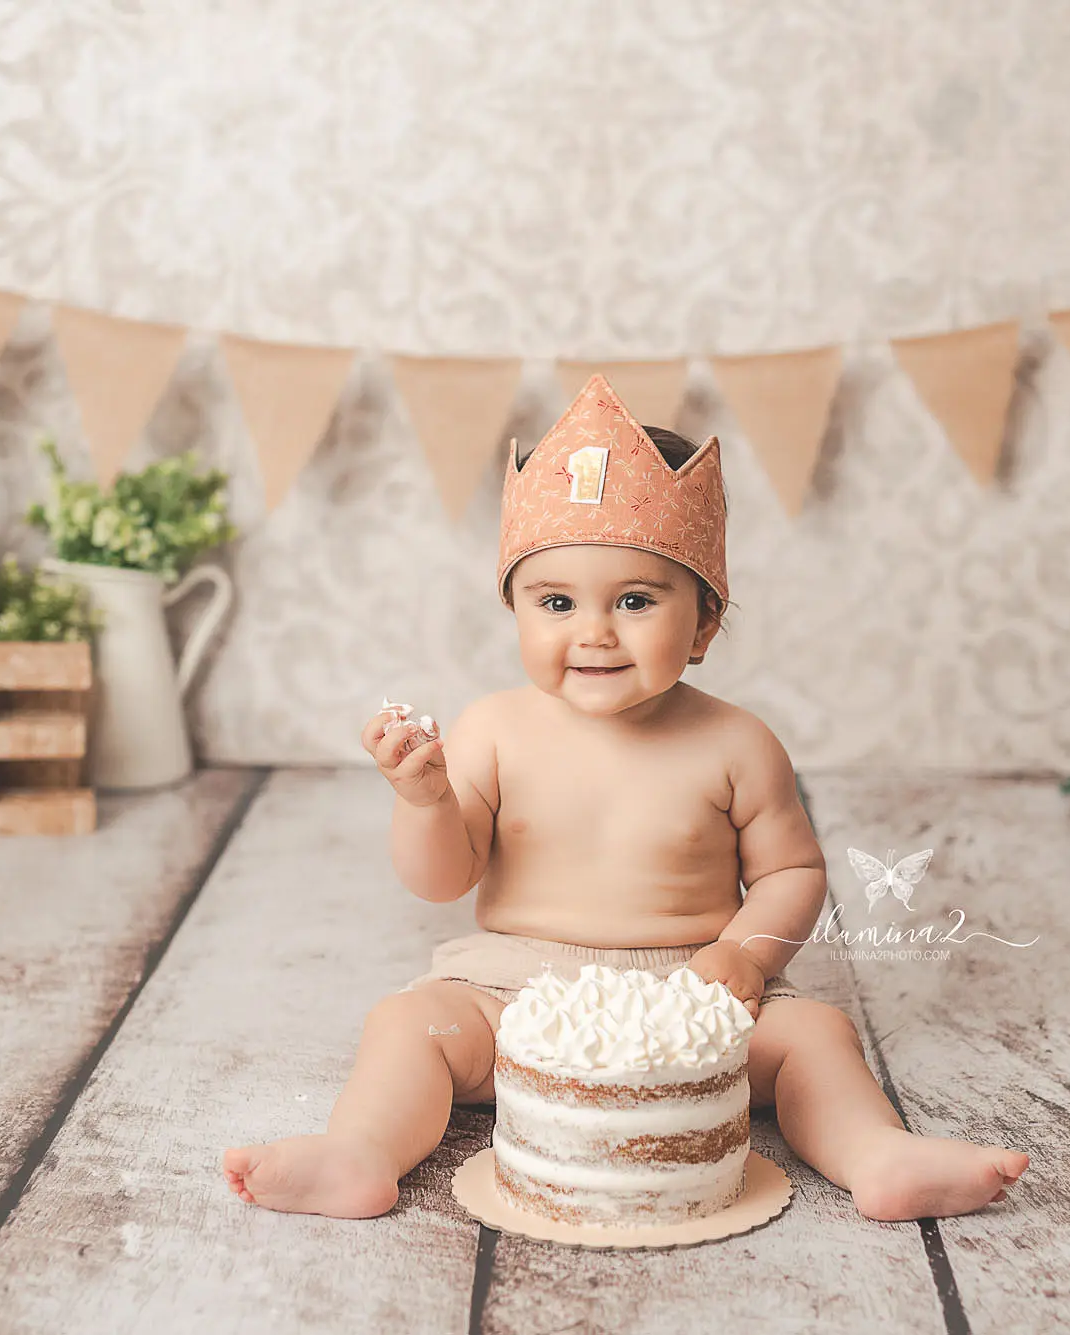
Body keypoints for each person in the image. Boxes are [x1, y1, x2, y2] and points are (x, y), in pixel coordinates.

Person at [222, 376, 1028, 1220]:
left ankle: (879, 1155)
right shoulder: (494, 728)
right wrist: (425, 803)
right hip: (515, 989)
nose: (594, 630)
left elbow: (794, 871)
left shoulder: (737, 743)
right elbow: (440, 880)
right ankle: (359, 1153)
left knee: (816, 1038)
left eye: (636, 600)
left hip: (696, 988)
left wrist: (745, 957)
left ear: (706, 622)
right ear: (517, 611)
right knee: (407, 1024)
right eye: (557, 602)